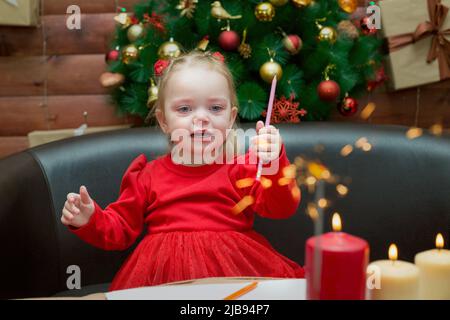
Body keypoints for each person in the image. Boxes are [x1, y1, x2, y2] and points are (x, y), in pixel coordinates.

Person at [61, 50, 304, 291]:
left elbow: (280, 208)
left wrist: (273, 164)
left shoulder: (243, 168)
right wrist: (90, 219)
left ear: (230, 119)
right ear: (164, 121)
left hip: (234, 272)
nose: (201, 118)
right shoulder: (147, 174)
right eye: (185, 109)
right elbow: (120, 228)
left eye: (215, 108)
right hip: (162, 279)